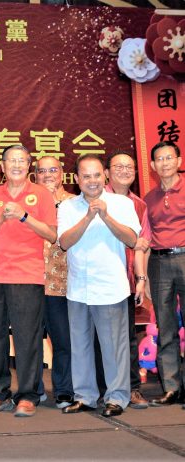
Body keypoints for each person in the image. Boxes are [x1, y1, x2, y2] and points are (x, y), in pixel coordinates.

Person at [0, 145, 57, 418]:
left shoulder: (41, 194)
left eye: (22, 160)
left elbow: (52, 234)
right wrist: (2, 217)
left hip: (28, 275)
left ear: (29, 165)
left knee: (27, 339)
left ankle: (28, 395)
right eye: (11, 160)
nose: (16, 165)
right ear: (2, 166)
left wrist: (24, 216)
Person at [59, 154, 140, 418]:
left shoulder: (121, 203)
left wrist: (105, 216)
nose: (92, 181)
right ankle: (85, 396)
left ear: (104, 175)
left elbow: (132, 239)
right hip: (78, 287)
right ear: (76, 179)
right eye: (86, 176)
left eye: (96, 175)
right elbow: (64, 243)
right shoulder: (68, 206)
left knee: (114, 347)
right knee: (80, 346)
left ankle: (117, 397)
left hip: (110, 286)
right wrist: (87, 217)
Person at [104, 152, 151, 409]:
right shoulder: (96, 198)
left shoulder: (139, 205)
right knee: (99, 337)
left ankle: (132, 388)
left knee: (128, 336)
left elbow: (141, 245)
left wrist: (141, 279)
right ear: (107, 172)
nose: (124, 170)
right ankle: (103, 388)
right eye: (118, 166)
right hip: (100, 278)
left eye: (129, 167)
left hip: (127, 278)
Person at [144, 141, 185, 407]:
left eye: (169, 157)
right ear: (152, 165)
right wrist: (145, 277)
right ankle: (172, 387)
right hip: (158, 262)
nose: (164, 163)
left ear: (179, 161)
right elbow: (146, 238)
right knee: (165, 327)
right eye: (159, 159)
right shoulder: (149, 198)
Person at [34, 155, 75, 409]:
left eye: (53, 170)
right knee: (30, 342)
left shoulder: (75, 202)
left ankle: (64, 390)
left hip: (63, 283)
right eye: (42, 171)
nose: (47, 175)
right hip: (30, 280)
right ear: (35, 176)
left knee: (63, 341)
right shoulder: (28, 201)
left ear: (62, 173)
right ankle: (33, 389)